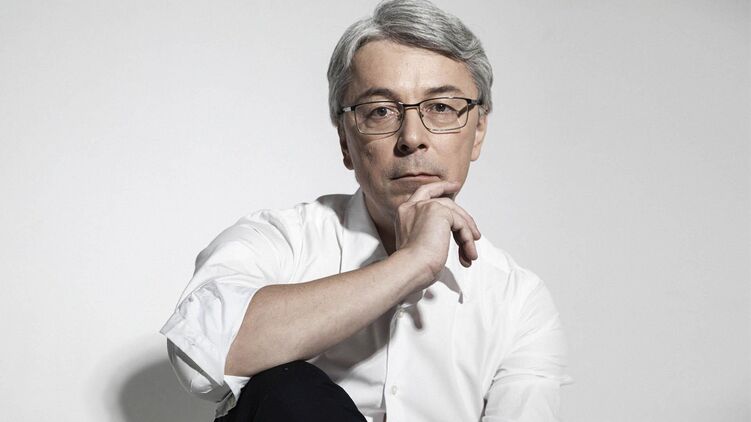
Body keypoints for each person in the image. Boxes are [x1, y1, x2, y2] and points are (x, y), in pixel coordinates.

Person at [160, 1, 569, 421]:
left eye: (441, 107)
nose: (412, 137)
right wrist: (410, 265)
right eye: (380, 112)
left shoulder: (517, 300)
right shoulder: (281, 240)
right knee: (286, 388)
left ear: (478, 131)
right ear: (345, 141)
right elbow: (200, 361)